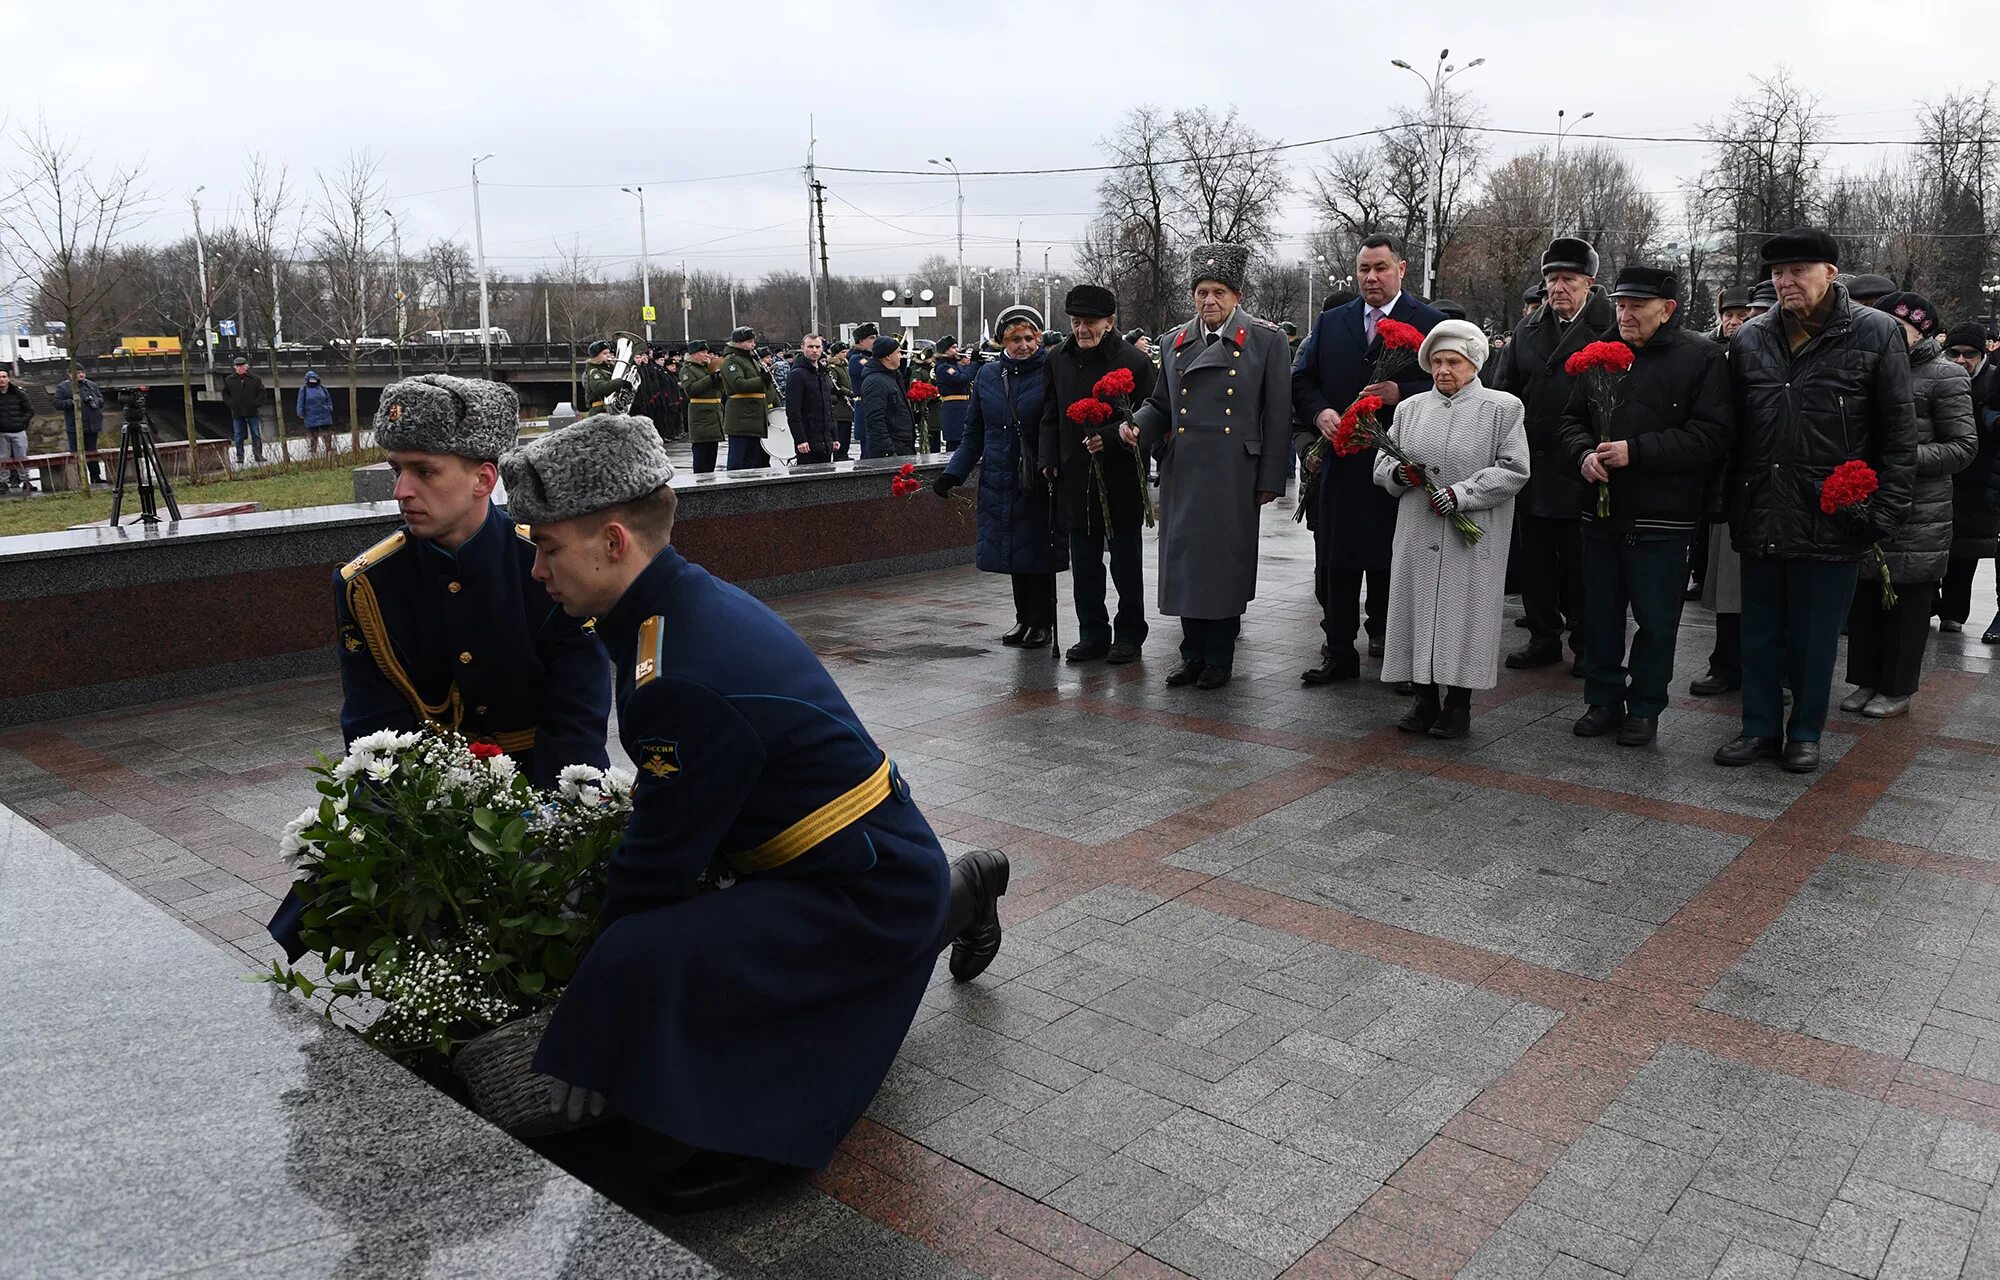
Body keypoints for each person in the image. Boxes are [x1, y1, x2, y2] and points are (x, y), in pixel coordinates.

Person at [497, 413, 1010, 1210]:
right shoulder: (670, 605)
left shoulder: (674, 666)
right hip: (855, 859)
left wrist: (593, 1016)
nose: (536, 570)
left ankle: (741, 1131)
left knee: (646, 953)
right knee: (695, 949)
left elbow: (655, 870)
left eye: (547, 547)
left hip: (859, 888)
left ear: (612, 542)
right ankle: (964, 887)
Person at [267, 374, 612, 958]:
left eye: (424, 471)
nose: (401, 489)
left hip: (539, 781)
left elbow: (576, 719)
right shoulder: (366, 584)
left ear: (484, 478)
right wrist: (433, 833)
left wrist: (553, 830)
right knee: (339, 921)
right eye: (396, 468)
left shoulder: (550, 565)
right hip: (420, 797)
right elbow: (374, 729)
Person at [1715, 229, 1917, 774]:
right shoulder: (1753, 336)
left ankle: (1805, 731)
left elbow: (1898, 433)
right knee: (1758, 631)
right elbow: (1734, 430)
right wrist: (1726, 503)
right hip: (1762, 509)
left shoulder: (1874, 333)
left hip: (1833, 514)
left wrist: (1885, 512)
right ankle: (1757, 728)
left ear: (1831, 273)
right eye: (1778, 274)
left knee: (1814, 636)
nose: (1785, 282)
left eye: (1797, 271)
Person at [1556, 266, 1733, 746]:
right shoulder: (1597, 354)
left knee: (1656, 621)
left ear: (1668, 308)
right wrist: (1583, 455)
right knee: (1600, 615)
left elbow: (1711, 435)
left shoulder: (1701, 356)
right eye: (1620, 304)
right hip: (1601, 511)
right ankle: (1603, 698)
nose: (1625, 313)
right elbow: (1571, 420)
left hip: (1664, 515)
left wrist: (1638, 452)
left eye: (1637, 305)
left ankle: (1646, 706)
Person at [1127, 244, 1293, 689]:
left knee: (1224, 563)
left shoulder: (1266, 340)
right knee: (1183, 562)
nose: (1209, 301)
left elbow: (1278, 414)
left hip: (1234, 471)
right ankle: (1191, 654)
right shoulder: (1175, 341)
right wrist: (1137, 427)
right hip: (1184, 469)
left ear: (1237, 295)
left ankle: (1219, 655)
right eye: (1202, 291)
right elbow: (1160, 403)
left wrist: (1271, 477)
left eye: (1219, 292)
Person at [1292, 235, 1445, 685]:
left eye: (1380, 268)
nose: (1371, 277)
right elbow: (1303, 379)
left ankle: (1399, 659)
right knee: (1336, 564)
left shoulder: (1430, 322)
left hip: (1399, 467)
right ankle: (1338, 652)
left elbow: (1452, 386)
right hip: (1341, 465)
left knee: (1392, 565)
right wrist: (1319, 411)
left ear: (1401, 268)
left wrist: (1404, 394)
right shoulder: (1332, 320)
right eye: (1364, 269)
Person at [1373, 320, 1529, 738]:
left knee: (1465, 617)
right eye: (1437, 361)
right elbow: (1382, 464)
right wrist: (1399, 475)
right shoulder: (1409, 409)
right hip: (1418, 531)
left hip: (1469, 536)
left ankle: (1458, 704)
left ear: (1474, 364)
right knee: (1415, 612)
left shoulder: (1502, 408)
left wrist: (1463, 494)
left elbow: (1515, 469)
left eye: (1454, 362)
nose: (1444, 370)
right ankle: (1424, 700)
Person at [1837, 293, 1975, 718]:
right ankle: (1866, 679)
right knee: (1865, 597)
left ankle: (1897, 687)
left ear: (1923, 331)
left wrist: (1901, 456)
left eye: (1901, 329)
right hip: (1869, 501)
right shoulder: (1866, 368)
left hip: (1921, 511)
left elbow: (1963, 447)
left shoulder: (1945, 375)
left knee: (1908, 600)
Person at [1488, 238, 1616, 677]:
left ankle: (1584, 642)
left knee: (1581, 564)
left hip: (1585, 463)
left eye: (1568, 279)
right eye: (1551, 279)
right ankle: (1543, 637)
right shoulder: (1528, 329)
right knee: (1535, 560)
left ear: (1590, 283)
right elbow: (1505, 392)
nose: (1558, 288)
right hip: (1534, 463)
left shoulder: (1611, 325)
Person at [1039, 284, 1157, 665]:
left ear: (1109, 322)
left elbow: (1148, 416)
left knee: (1125, 562)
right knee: (1084, 564)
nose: (1082, 330)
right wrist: (1049, 457)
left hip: (1119, 475)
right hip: (1074, 475)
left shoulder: (1135, 362)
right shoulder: (1057, 357)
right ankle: (1092, 632)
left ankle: (1129, 634)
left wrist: (1109, 438)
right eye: (1075, 322)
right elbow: (1050, 413)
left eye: (1090, 322)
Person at [936, 307, 1064, 647]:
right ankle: (1023, 619)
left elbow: (1059, 425)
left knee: (1038, 551)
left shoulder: (1051, 373)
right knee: (1013, 551)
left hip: (1036, 476)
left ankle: (1042, 623)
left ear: (1038, 338)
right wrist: (953, 474)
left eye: (1029, 338)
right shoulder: (989, 377)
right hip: (998, 475)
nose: (1023, 345)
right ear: (1001, 342)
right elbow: (974, 434)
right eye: (1014, 339)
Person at [1939, 322, 2000, 641]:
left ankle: (1953, 613)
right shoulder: (1938, 376)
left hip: (1980, 477)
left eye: (1969, 354)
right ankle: (1935, 605)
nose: (1961, 359)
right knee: (1938, 545)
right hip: (1943, 474)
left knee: (1965, 550)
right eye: (1954, 352)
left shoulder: (1993, 382)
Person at [720, 327, 775, 470]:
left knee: (753, 460)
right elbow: (738, 385)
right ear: (738, 342)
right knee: (738, 460)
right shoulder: (731, 360)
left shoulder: (751, 359)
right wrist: (762, 379)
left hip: (754, 415)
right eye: (749, 341)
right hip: (741, 416)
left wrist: (767, 379)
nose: (753, 345)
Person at [857, 335, 916, 459]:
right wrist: (887, 451)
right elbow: (875, 420)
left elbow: (895, 409)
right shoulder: (876, 381)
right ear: (888, 356)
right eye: (898, 353)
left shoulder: (893, 376)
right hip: (891, 449)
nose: (901, 356)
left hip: (902, 445)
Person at [784, 334, 837, 466]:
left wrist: (834, 437)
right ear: (803, 348)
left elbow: (828, 409)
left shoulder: (823, 373)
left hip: (825, 439)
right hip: (808, 439)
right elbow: (793, 411)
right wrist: (800, 439)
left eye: (818, 347)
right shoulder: (797, 374)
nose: (814, 350)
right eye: (810, 347)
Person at [679, 341, 726, 474]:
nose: (706, 355)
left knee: (712, 454)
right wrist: (710, 379)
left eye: (707, 352)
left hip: (714, 412)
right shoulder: (687, 369)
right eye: (702, 352)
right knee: (701, 454)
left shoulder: (708, 367)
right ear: (693, 354)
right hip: (701, 413)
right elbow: (691, 390)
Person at [54, 368, 106, 482]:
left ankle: (95, 477)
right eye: (77, 373)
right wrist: (72, 402)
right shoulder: (63, 387)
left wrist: (97, 401)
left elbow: (101, 398)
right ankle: (80, 478)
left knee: (92, 453)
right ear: (70, 374)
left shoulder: (91, 385)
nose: (81, 375)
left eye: (82, 372)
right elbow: (57, 404)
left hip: (92, 425)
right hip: (75, 427)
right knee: (76, 454)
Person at [933, 336, 976, 451]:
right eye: (953, 347)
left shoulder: (954, 365)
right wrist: (974, 364)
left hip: (962, 407)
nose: (957, 350)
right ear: (945, 350)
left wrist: (978, 363)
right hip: (954, 410)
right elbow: (962, 379)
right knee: (955, 446)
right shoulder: (943, 367)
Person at [222, 355, 266, 464]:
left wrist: (256, 403)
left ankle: (258, 455)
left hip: (252, 411)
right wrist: (231, 403)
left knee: (255, 434)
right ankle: (240, 456)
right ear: (234, 367)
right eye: (238, 366)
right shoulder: (229, 380)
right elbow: (225, 393)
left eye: (242, 366)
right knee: (238, 435)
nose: (240, 368)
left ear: (246, 366)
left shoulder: (255, 379)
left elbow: (262, 392)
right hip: (237, 412)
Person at [0, 370, 35, 494]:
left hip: (18, 431)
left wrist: (22, 422)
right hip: (2, 433)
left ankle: (26, 480)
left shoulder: (18, 393)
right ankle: (3, 483)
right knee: (3, 458)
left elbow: (30, 410)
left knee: (22, 457)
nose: (2, 380)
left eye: (4, 377)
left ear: (8, 378)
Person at [848, 323, 879, 458]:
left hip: (876, 403)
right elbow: (873, 372)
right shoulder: (857, 359)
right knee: (868, 451)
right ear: (861, 341)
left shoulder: (871, 358)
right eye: (872, 338)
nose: (875, 340)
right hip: (865, 405)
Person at [295, 370, 335, 457]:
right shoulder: (304, 389)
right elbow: (300, 402)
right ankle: (313, 449)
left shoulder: (322, 388)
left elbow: (328, 399)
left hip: (324, 413)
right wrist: (300, 413)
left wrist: (329, 408)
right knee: (313, 432)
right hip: (311, 414)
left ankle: (328, 447)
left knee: (326, 432)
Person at [826, 340, 854, 458]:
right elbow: (834, 385)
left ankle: (844, 454)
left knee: (846, 433)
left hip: (847, 406)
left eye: (846, 351)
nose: (845, 354)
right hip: (840, 406)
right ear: (836, 354)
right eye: (842, 352)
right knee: (841, 433)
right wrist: (848, 392)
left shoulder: (845, 366)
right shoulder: (833, 368)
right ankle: (840, 455)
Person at [580, 339, 623, 412]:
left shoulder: (609, 369)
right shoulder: (594, 371)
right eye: (605, 353)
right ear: (596, 357)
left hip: (609, 410)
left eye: (609, 353)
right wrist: (620, 382)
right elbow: (600, 388)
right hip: (599, 411)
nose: (609, 355)